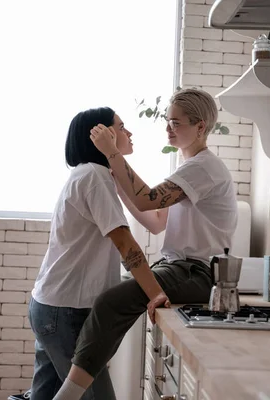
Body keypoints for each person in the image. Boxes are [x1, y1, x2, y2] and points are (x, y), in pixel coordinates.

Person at [52, 88, 238, 400]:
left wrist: (113, 154)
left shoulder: (203, 167)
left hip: (195, 273)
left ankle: (66, 397)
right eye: (168, 121)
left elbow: (148, 199)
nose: (168, 128)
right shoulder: (189, 167)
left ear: (200, 127)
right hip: (179, 268)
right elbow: (155, 221)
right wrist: (116, 175)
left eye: (176, 123)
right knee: (114, 296)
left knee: (110, 302)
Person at [28, 107, 169, 400]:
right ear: (101, 134)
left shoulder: (88, 175)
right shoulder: (95, 176)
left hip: (51, 305)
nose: (128, 132)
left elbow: (142, 224)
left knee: (47, 394)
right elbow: (124, 242)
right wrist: (156, 293)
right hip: (66, 312)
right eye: (121, 126)